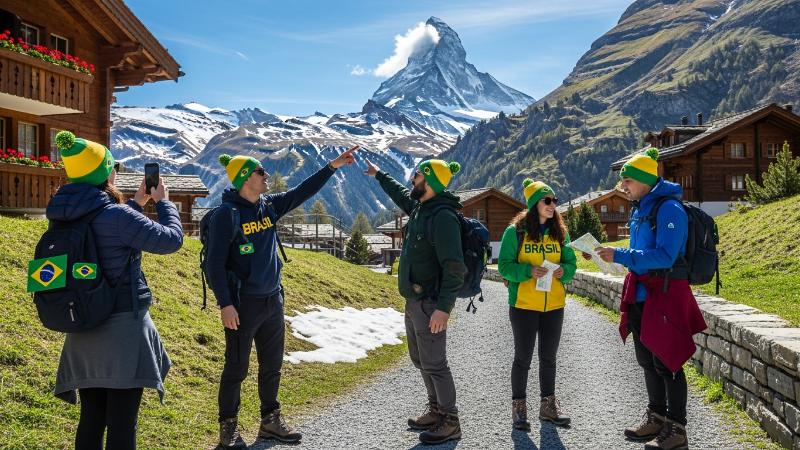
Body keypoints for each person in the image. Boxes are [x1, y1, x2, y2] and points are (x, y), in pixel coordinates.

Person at [205, 148, 357, 449]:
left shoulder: (269, 205)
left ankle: (270, 421)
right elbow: (214, 264)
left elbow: (303, 191)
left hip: (272, 301)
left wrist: (333, 166)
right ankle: (228, 429)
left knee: (272, 366)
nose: (267, 176)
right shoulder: (227, 215)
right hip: (242, 305)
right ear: (246, 178)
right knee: (236, 368)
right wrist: (225, 304)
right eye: (261, 172)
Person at [48, 131, 184, 450]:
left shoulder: (61, 217)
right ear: (105, 172)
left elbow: (107, 233)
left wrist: (136, 203)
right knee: (122, 423)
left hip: (81, 326)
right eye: (114, 166)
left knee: (92, 419)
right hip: (122, 329)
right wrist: (164, 203)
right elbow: (172, 240)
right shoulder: (118, 216)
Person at [593, 149, 706, 450]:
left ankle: (677, 429)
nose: (623, 187)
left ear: (644, 180)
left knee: (668, 360)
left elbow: (666, 255)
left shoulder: (669, 209)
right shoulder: (641, 208)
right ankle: (656, 418)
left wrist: (619, 254)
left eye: (627, 181)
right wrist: (614, 258)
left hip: (665, 293)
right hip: (643, 292)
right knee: (647, 359)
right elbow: (642, 254)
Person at [364, 158, 466, 445]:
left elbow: (455, 268)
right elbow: (399, 191)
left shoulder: (443, 217)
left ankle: (450, 420)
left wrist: (444, 308)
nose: (412, 178)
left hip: (431, 304)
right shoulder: (421, 207)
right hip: (414, 303)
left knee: (436, 364)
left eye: (418, 175)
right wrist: (378, 175)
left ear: (430, 182)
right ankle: (435, 410)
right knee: (421, 360)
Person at [498, 179, 576, 430]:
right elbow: (504, 267)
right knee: (522, 358)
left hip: (554, 305)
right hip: (523, 305)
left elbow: (571, 264)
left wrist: (564, 271)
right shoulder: (515, 232)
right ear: (535, 204)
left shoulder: (560, 233)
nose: (553, 205)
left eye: (554, 200)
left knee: (549, 358)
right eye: (547, 200)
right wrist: (527, 271)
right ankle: (519, 407)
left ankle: (548, 406)